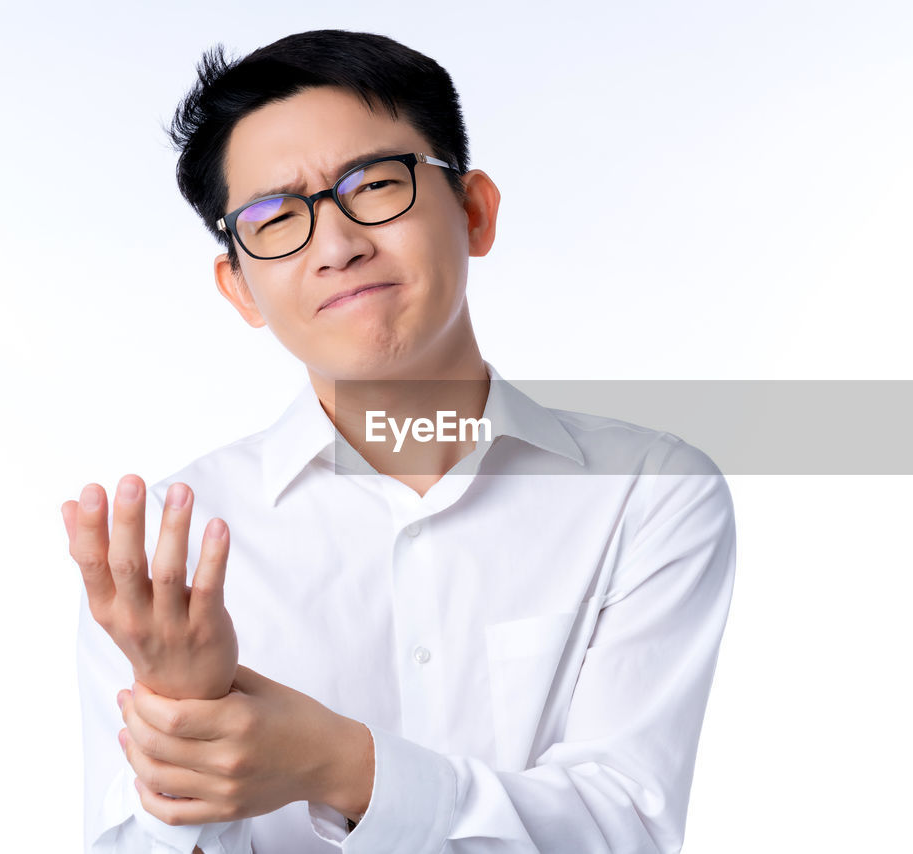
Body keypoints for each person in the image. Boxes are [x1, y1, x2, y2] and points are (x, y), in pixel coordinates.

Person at [63, 29, 737, 853]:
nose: (337, 246)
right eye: (276, 218)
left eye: (375, 186)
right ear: (239, 287)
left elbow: (620, 830)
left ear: (474, 210)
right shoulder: (168, 555)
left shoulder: (646, 492)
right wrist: (187, 738)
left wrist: (339, 764)